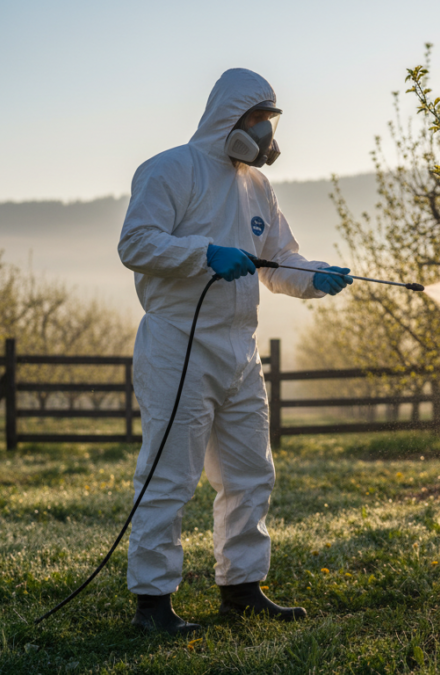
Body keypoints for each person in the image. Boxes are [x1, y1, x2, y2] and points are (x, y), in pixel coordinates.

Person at [117, 68, 351, 634]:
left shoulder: (258, 187)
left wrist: (314, 276)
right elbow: (136, 243)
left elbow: (279, 259)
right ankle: (153, 602)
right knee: (169, 476)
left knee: (250, 473)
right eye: (258, 121)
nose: (266, 135)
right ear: (231, 117)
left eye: (270, 123)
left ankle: (242, 587)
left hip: (239, 349)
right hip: (178, 343)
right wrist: (205, 253)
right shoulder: (170, 168)